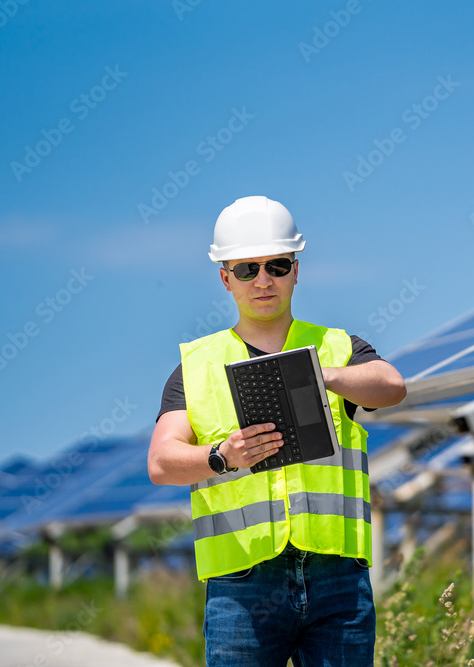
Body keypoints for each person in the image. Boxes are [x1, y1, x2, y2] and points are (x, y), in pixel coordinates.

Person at [148, 195, 406, 666]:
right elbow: (162, 462)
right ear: (225, 278)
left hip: (338, 577)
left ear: (296, 269)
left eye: (277, 265)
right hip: (242, 584)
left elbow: (391, 386)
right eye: (247, 269)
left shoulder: (338, 347)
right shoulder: (196, 367)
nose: (263, 280)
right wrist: (222, 456)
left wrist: (321, 374)